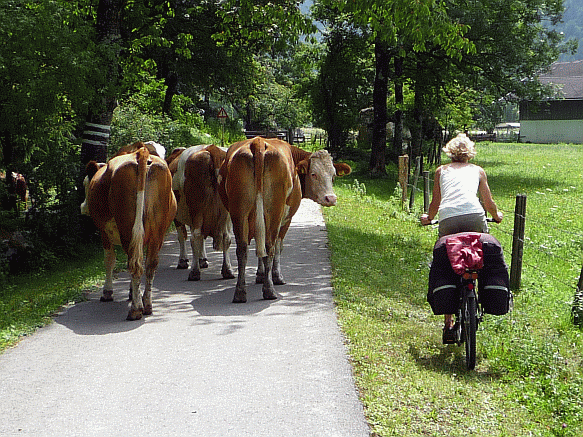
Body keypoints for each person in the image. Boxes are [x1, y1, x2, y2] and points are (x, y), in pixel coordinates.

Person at [420, 133, 503, 343]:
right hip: (475, 216)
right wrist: (496, 216)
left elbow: (435, 203)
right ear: (470, 153)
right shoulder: (478, 171)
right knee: (482, 252)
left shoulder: (441, 171)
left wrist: (428, 218)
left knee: (448, 261)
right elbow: (488, 201)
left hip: (448, 219)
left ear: (449, 152)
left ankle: (448, 323)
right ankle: (483, 294)